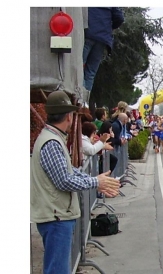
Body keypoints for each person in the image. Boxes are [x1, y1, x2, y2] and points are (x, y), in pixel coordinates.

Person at [30, 90, 120, 274]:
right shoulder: (52, 143)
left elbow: (69, 173)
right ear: (69, 116)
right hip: (56, 216)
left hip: (56, 215)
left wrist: (94, 180)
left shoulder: (52, 139)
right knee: (58, 269)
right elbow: (64, 180)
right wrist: (95, 181)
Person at [83, 7, 124, 92]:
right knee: (90, 72)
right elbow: (120, 18)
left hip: (87, 34)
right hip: (102, 39)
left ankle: (77, 95)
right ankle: (84, 99)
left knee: (79, 67)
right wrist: (109, 28)